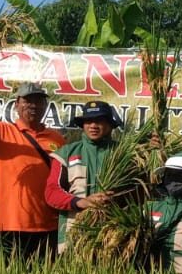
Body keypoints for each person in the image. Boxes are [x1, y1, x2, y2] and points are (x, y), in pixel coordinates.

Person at [0, 82, 64, 259]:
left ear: (46, 106)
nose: (33, 106)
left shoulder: (57, 138)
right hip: (8, 223)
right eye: (27, 101)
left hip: (48, 225)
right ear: (16, 104)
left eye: (39, 101)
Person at [43, 100, 123, 249]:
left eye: (99, 120)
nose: (93, 125)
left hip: (114, 235)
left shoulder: (124, 153)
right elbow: (51, 192)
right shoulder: (67, 153)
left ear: (110, 125)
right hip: (74, 235)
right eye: (88, 121)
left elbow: (143, 190)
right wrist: (80, 202)